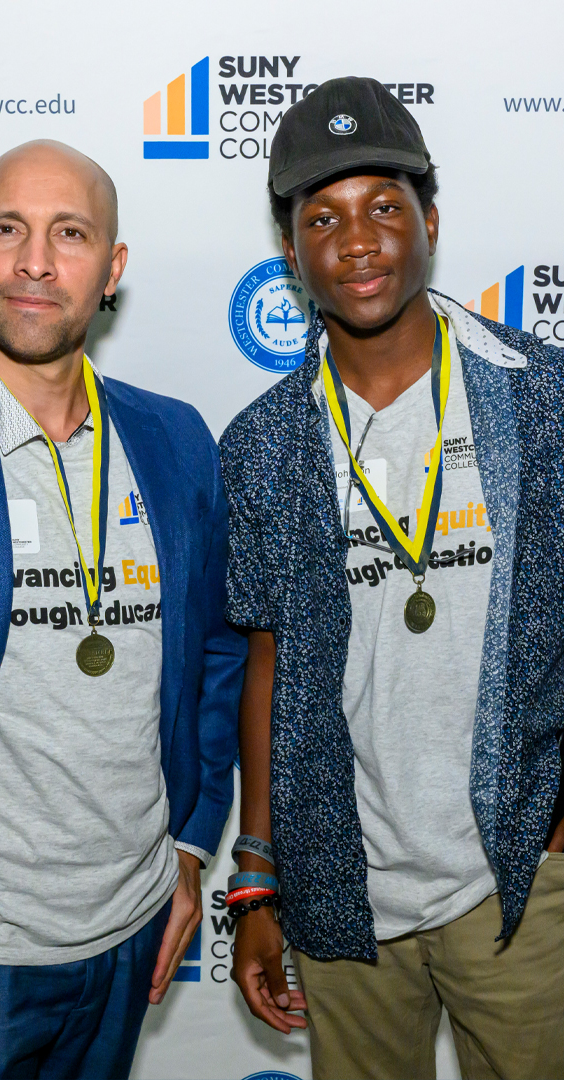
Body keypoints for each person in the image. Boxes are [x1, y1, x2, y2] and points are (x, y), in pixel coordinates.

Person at [0, 139, 244, 1080]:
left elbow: (217, 651)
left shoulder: (176, 437)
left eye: (69, 233)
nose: (34, 260)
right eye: (6, 230)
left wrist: (190, 844)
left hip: (128, 933)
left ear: (113, 269)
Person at [221, 77, 564, 1079]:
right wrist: (257, 882)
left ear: (431, 221)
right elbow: (267, 666)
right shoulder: (263, 445)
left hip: (520, 881)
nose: (357, 239)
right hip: (342, 889)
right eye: (322, 216)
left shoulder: (540, 396)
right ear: (293, 254)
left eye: (384, 207)